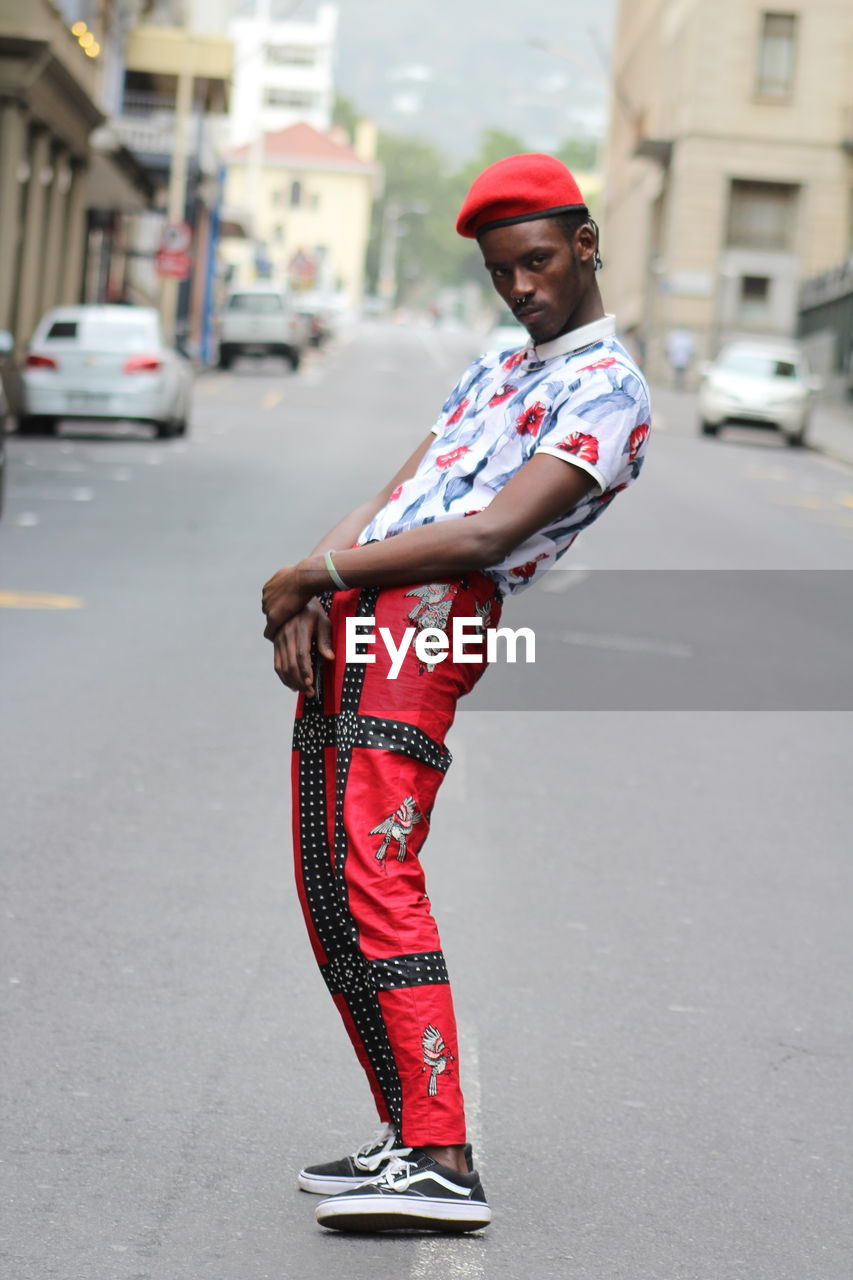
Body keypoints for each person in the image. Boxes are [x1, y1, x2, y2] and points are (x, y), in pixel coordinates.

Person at [262, 153, 651, 1234]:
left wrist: (321, 576)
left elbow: (488, 530)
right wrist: (306, 578)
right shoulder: (494, 367)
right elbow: (399, 492)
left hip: (431, 619)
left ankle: (441, 1154)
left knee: (374, 869)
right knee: (326, 881)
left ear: (583, 243)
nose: (520, 287)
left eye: (535, 261)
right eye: (499, 272)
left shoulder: (607, 389)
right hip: (359, 611)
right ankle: (403, 1132)